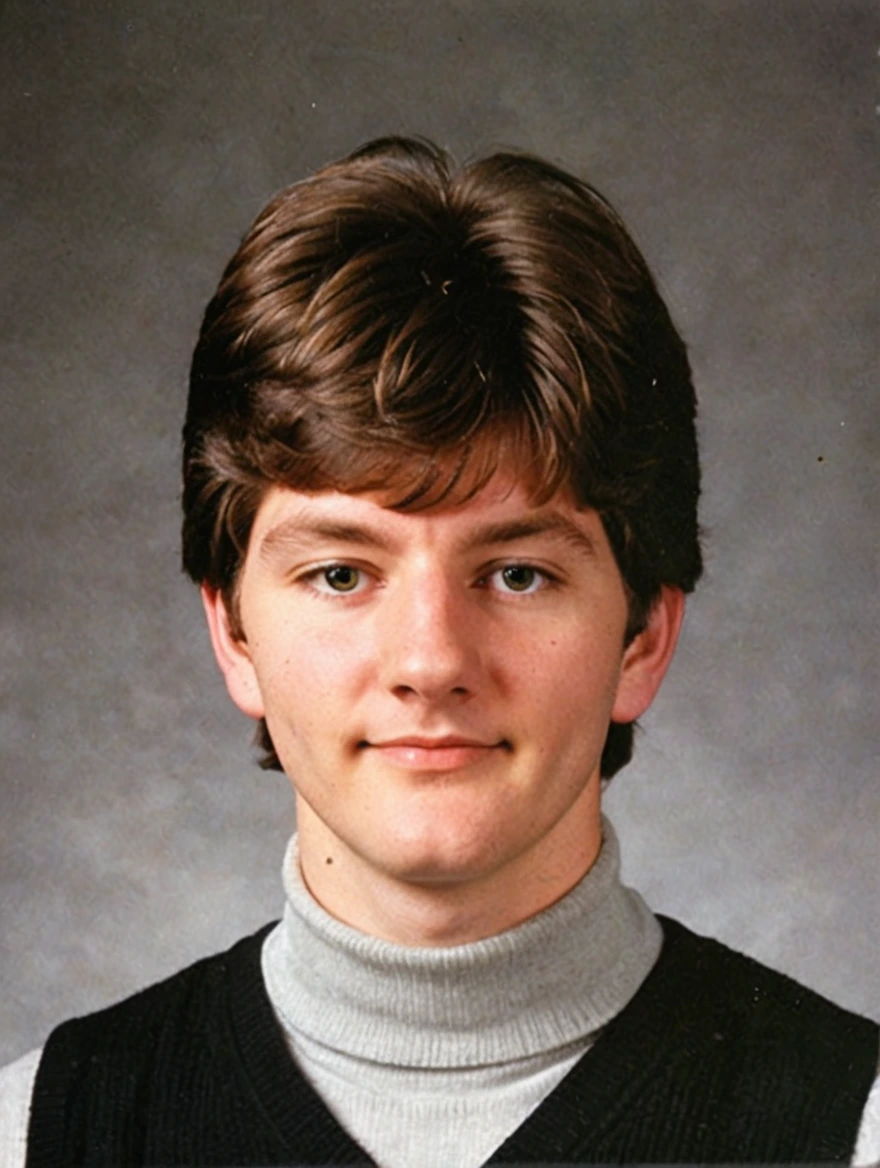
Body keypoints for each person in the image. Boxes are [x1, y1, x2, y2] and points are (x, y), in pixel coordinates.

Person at [1, 136, 878, 1167]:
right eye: (341, 573)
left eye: (516, 573)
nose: (429, 659)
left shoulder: (853, 1129)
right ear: (233, 634)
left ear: (643, 636)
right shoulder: (36, 1134)